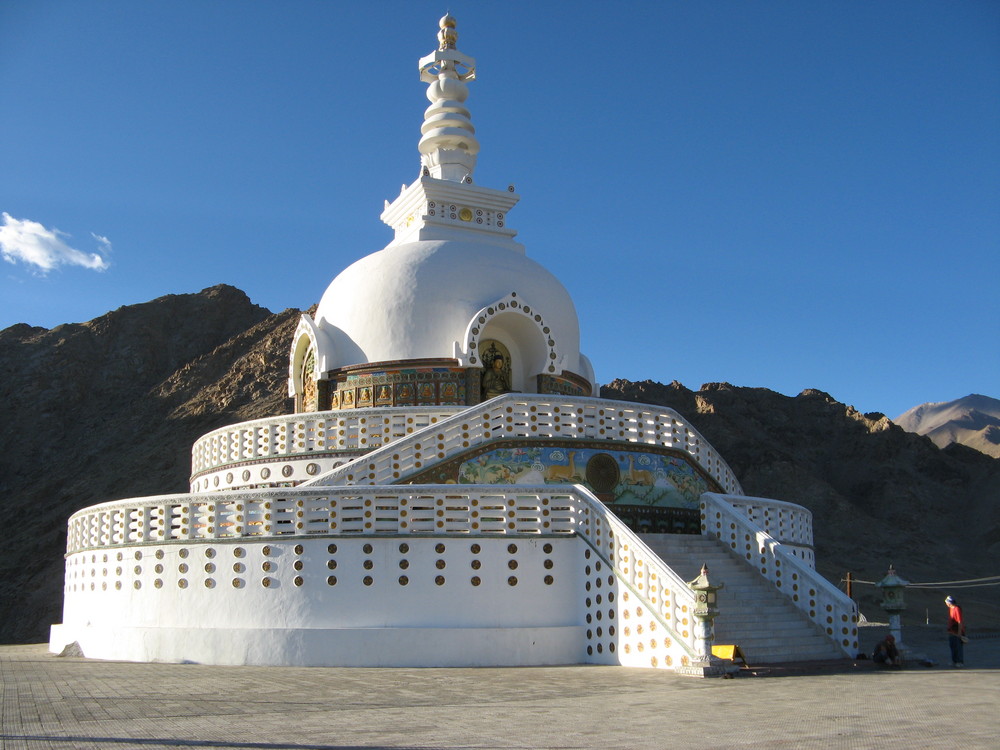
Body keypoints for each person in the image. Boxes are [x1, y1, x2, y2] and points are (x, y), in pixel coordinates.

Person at [945, 595, 966, 667]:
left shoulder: (957, 609)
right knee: (952, 647)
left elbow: (960, 621)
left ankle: (960, 661)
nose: (946, 604)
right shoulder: (951, 609)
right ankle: (954, 661)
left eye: (946, 602)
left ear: (949, 603)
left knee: (958, 647)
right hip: (952, 631)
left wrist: (960, 633)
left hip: (957, 632)